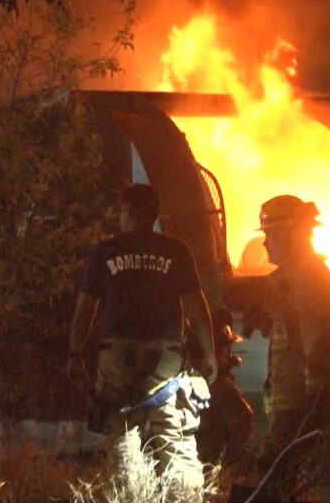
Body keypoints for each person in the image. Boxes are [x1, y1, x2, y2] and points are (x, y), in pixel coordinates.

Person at [66, 183, 218, 498]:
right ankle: (184, 498)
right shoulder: (176, 251)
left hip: (116, 356)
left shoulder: (104, 251)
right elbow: (197, 307)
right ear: (154, 215)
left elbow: (84, 310)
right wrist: (210, 354)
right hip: (165, 359)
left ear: (129, 212)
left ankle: (130, 495)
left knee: (122, 439)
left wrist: (74, 353)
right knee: (174, 437)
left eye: (121, 212)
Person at [228, 194, 330, 496]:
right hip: (295, 403)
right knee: (304, 476)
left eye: (271, 235)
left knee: (271, 472)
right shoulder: (293, 277)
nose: (264, 244)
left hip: (302, 404)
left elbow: (321, 342)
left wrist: (316, 402)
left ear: (292, 234)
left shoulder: (308, 279)